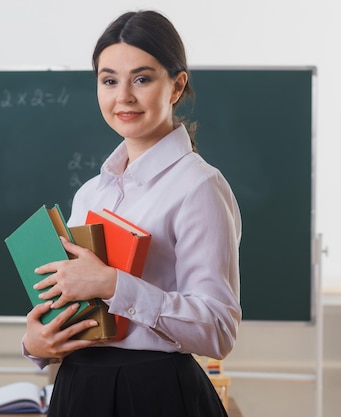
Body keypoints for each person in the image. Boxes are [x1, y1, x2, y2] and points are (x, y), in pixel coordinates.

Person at [22, 10, 241, 417]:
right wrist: (37, 344)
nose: (123, 96)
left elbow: (218, 330)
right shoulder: (91, 193)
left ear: (176, 86)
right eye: (109, 80)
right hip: (77, 389)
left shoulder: (200, 186)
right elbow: (71, 305)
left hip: (155, 393)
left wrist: (111, 283)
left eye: (141, 78)